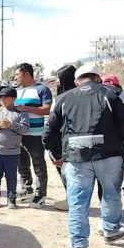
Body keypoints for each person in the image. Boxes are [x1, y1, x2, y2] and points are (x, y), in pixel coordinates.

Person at [43, 64, 124, 248]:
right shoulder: (114, 94)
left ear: (76, 81)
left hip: (75, 158)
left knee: (78, 202)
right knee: (111, 194)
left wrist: (56, 155)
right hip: (110, 157)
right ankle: (111, 230)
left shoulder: (63, 99)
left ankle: (78, 246)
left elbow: (49, 132)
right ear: (98, 78)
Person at [13, 62, 52, 208]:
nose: (15, 78)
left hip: (35, 135)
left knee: (38, 165)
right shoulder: (16, 91)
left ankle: (40, 194)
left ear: (26, 74)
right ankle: (26, 189)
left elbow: (46, 109)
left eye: (17, 74)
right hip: (18, 134)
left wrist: (26, 108)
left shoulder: (42, 89)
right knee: (21, 164)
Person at [0, 87, 30, 209]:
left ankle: (11, 200)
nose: (2, 100)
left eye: (6, 97)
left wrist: (11, 125)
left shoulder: (20, 112)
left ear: (13, 98)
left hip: (12, 152)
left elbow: (25, 129)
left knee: (11, 176)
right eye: (1, 97)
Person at [51, 64, 77, 212]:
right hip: (74, 141)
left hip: (64, 143)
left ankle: (71, 200)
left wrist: (52, 148)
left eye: (58, 78)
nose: (56, 81)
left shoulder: (61, 99)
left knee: (67, 172)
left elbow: (52, 125)